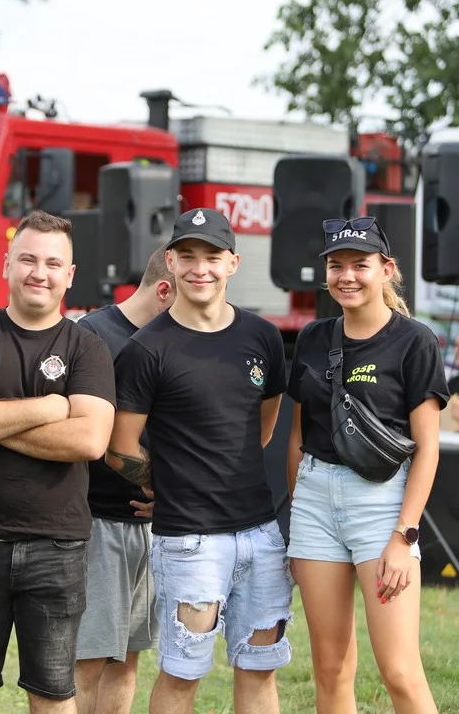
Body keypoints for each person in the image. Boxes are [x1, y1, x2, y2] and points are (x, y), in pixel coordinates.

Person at [0, 210, 117, 713]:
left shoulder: (88, 349)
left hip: (58, 545)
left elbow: (91, 440)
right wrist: (49, 408)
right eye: (28, 259)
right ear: (7, 264)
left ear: (69, 276)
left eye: (54, 263)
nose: (40, 272)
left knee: (54, 692)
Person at [106, 208, 292, 714]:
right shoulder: (147, 350)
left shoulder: (263, 337)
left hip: (260, 533)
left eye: (212, 256)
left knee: (260, 667)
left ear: (233, 262)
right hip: (190, 540)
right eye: (187, 256)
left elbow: (264, 425)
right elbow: (120, 445)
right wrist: (162, 488)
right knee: (182, 673)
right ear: (170, 261)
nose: (200, 268)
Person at [286, 216, 447, 713]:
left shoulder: (415, 340)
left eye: (360, 265)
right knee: (331, 669)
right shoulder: (313, 337)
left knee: (399, 671)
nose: (347, 276)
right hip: (314, 502)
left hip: (382, 506)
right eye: (336, 266)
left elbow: (428, 447)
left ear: (387, 269)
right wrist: (298, 509)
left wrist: (405, 536)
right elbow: (297, 436)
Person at [73, 246, 175, 714]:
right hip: (98, 521)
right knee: (87, 659)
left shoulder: (174, 337)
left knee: (128, 657)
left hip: (153, 527)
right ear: (163, 290)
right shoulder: (93, 335)